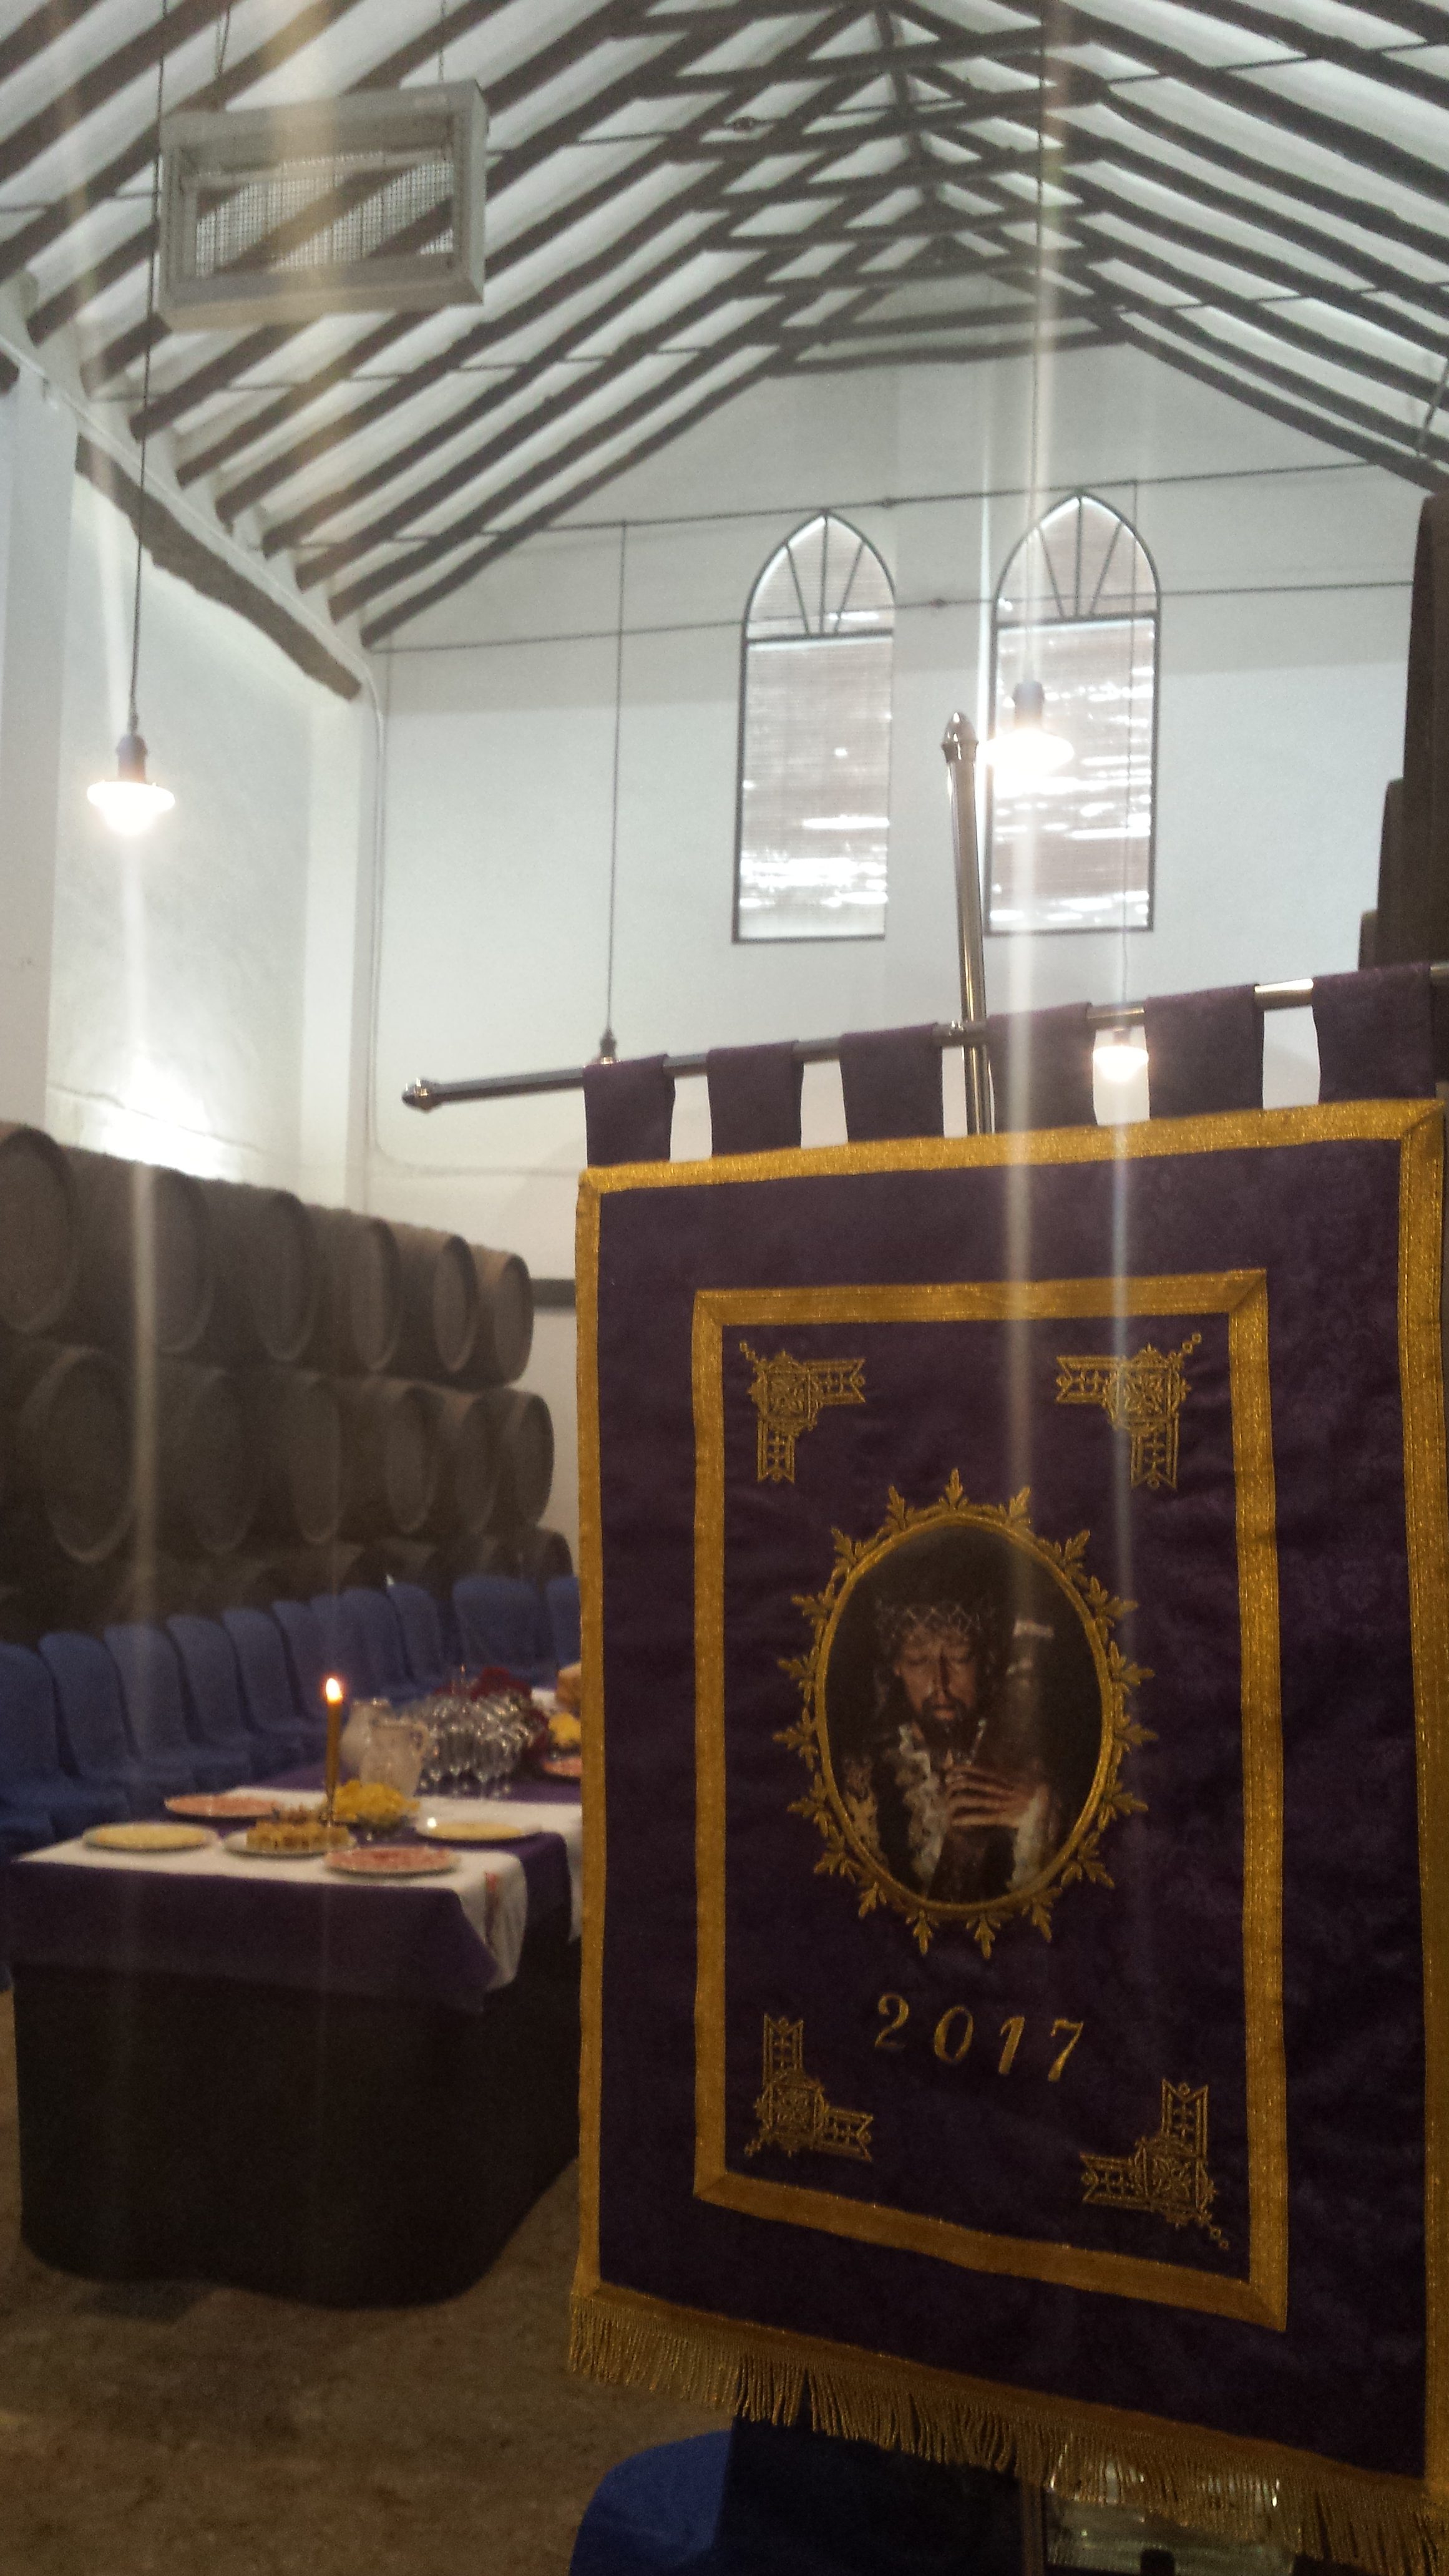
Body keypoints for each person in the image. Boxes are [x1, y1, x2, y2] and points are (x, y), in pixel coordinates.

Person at [839, 1587, 1062, 1905]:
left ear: (984, 1660)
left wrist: (1040, 1815)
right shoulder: (862, 1777)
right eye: (918, 1660)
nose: (939, 1683)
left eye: (959, 1657)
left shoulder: (1032, 1756)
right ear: (897, 1666)